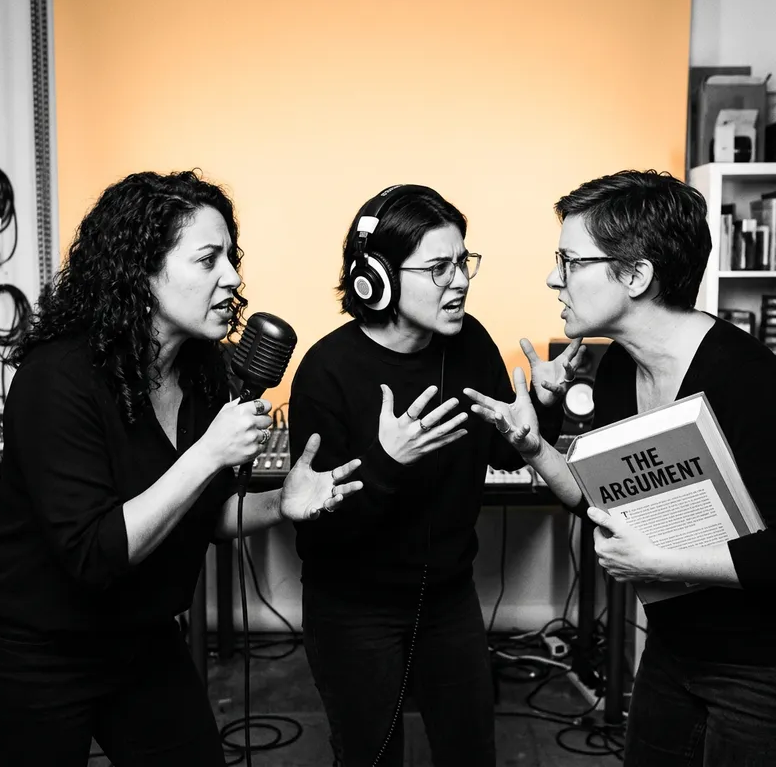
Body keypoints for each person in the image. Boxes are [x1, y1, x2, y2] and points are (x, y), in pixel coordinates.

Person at [0, 170, 363, 767]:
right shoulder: (59, 379)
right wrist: (208, 452)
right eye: (208, 259)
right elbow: (94, 552)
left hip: (140, 639)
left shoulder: (204, 376)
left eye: (231, 258)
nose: (232, 278)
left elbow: (197, 516)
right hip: (37, 651)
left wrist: (277, 504)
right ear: (141, 271)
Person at [464, 169, 776, 766]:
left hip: (756, 669)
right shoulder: (613, 372)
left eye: (569, 260)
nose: (553, 277)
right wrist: (533, 446)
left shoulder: (748, 381)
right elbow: (596, 500)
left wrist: (661, 563)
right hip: (672, 654)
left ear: (635, 275)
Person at [288, 184, 582, 767]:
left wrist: (539, 414)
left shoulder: (469, 342)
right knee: (371, 756)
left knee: (471, 752)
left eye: (463, 262)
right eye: (439, 267)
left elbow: (498, 453)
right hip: (353, 610)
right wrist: (387, 464)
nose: (461, 281)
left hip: (449, 598)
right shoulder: (327, 371)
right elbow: (319, 528)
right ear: (377, 278)